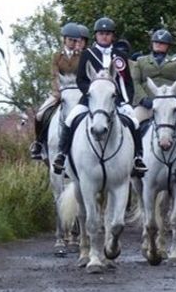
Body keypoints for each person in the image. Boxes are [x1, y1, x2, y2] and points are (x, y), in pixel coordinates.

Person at [51, 17, 147, 177]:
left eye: (108, 34)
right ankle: (62, 155)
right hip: (91, 99)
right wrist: (92, 94)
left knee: (134, 122)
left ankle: (138, 158)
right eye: (101, 33)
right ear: (96, 35)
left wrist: (125, 100)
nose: (104, 36)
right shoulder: (87, 54)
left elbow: (127, 82)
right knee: (70, 120)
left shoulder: (119, 55)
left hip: (116, 99)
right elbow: (81, 79)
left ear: (112, 36)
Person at [29, 22, 83, 160]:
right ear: (64, 39)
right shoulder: (57, 56)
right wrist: (56, 91)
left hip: (78, 92)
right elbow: (54, 75)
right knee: (40, 115)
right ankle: (39, 144)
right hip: (60, 91)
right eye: (70, 40)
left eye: (75, 40)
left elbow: (83, 76)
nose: (72, 43)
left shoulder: (82, 56)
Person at [133, 29, 176, 125]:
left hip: (174, 101)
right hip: (148, 104)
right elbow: (135, 82)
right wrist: (143, 99)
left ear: (168, 46)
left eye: (162, 43)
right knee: (132, 123)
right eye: (156, 42)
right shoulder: (141, 61)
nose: (158, 44)